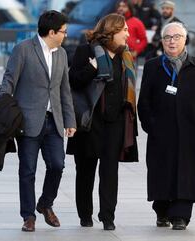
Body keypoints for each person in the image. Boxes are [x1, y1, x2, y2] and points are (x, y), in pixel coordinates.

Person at [0, 10, 76, 232]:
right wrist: (0, 109)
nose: (65, 36)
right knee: (28, 170)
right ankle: (28, 215)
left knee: (57, 165)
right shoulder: (23, 49)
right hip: (28, 122)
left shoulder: (61, 54)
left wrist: (70, 119)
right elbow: (9, 80)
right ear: (51, 32)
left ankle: (45, 204)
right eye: (63, 32)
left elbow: (64, 90)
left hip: (54, 122)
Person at [138, 22, 195, 230]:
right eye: (167, 37)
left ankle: (181, 215)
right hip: (161, 133)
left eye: (177, 37)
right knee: (162, 172)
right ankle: (162, 210)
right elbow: (144, 101)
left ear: (185, 40)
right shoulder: (153, 66)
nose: (172, 41)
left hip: (191, 133)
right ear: (162, 41)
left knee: (188, 173)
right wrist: (151, 126)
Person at [66, 13, 139, 231]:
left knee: (110, 172)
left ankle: (108, 216)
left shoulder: (125, 55)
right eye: (124, 29)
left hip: (115, 123)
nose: (127, 33)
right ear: (112, 31)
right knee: (86, 171)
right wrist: (92, 68)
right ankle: (85, 215)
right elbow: (73, 81)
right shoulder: (86, 51)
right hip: (89, 122)